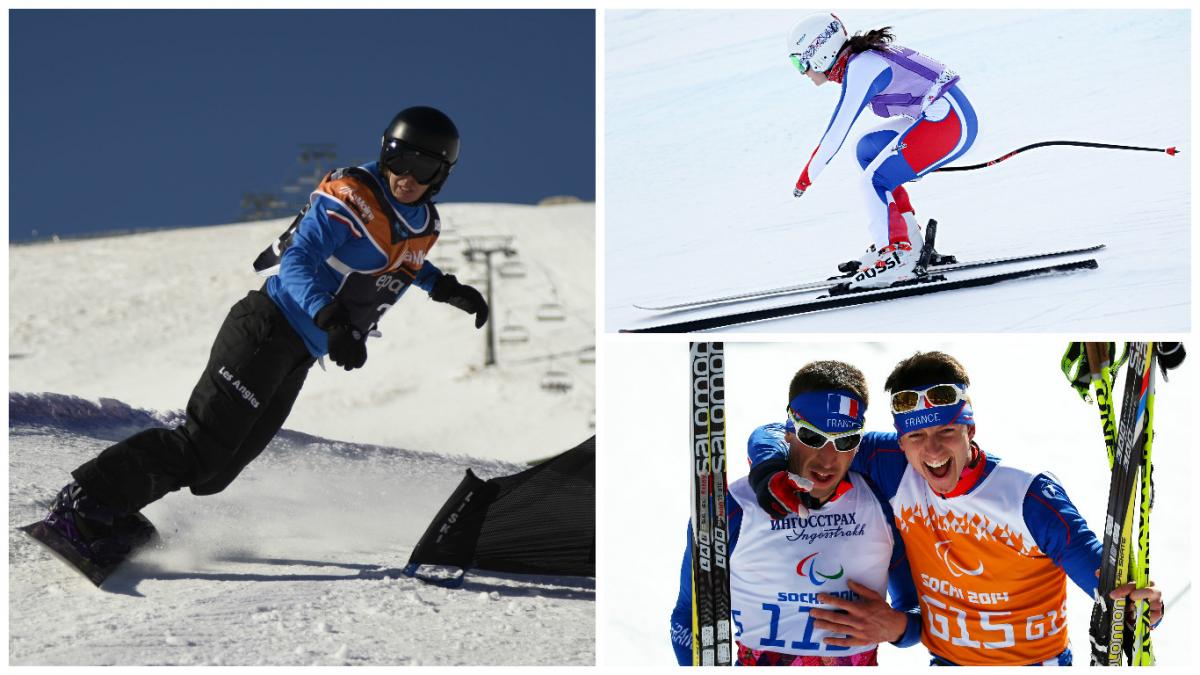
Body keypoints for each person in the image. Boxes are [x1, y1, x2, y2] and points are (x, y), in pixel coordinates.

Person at [39, 106, 489, 566]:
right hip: (268, 326)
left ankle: (116, 512)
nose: (406, 176)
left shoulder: (424, 223)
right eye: (398, 160)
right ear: (383, 153)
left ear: (442, 174)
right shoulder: (352, 197)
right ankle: (84, 503)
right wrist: (331, 318)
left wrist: (443, 287)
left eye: (424, 167)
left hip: (299, 353)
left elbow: (401, 257)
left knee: (215, 472)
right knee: (201, 444)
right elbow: (298, 259)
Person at [747, 351, 1165, 666]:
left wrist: (1130, 605)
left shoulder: (1028, 497)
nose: (931, 450)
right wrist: (769, 470)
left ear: (970, 430)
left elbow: (1100, 573)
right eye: (917, 436)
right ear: (900, 439)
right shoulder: (886, 462)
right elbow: (777, 431)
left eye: (947, 431)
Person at [670, 361, 921, 666]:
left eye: (845, 441)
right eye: (813, 438)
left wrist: (900, 629)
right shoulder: (733, 507)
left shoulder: (879, 499)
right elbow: (687, 614)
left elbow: (915, 607)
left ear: (858, 442)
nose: (828, 459)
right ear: (789, 433)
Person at [786, 12, 978, 289]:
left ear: (820, 53)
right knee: (868, 150)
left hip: (951, 123)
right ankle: (908, 244)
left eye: (798, 61)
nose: (802, 71)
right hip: (948, 118)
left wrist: (805, 179)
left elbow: (836, 132)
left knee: (873, 180)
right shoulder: (861, 61)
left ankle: (895, 255)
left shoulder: (863, 66)